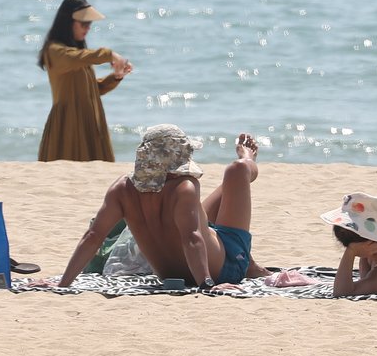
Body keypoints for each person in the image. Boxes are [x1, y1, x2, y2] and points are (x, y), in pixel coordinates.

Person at [50, 124, 266, 290]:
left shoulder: (122, 189)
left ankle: (251, 264)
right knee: (236, 172)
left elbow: (92, 237)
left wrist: (64, 284)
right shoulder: (184, 187)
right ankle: (248, 159)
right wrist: (207, 284)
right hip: (228, 264)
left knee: (202, 215)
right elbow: (192, 239)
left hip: (178, 270)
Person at [36, 0, 133, 162]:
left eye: (90, 24)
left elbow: (94, 89)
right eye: (84, 23)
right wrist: (110, 55)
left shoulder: (78, 54)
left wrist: (116, 77)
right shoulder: (55, 51)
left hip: (89, 121)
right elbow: (76, 58)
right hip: (68, 124)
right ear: (68, 23)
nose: (88, 28)